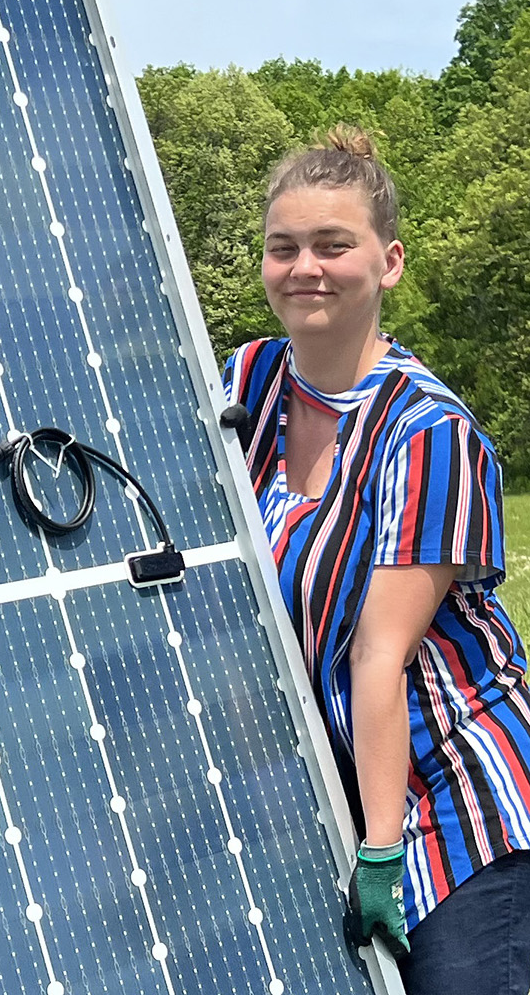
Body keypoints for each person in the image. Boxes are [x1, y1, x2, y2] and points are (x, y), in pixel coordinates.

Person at [224, 125, 530, 994]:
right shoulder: (246, 385)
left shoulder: (427, 432)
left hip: (458, 800)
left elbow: (378, 653)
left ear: (388, 263)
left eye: (333, 245)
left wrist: (383, 852)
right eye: (283, 247)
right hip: (343, 794)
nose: (305, 268)